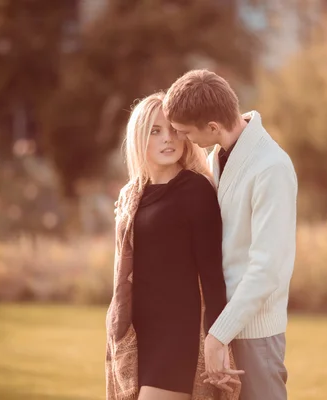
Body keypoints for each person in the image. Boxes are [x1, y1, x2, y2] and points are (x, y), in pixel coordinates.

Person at [163, 70, 298, 400]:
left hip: (254, 331)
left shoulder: (271, 168)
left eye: (185, 132)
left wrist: (218, 335)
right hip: (223, 322)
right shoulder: (217, 158)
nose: (181, 140)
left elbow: (266, 270)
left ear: (212, 127)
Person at [105, 92, 243, 400]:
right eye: (155, 131)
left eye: (172, 130)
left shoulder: (195, 191)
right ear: (140, 136)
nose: (168, 139)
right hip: (138, 333)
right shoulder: (133, 195)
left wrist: (216, 340)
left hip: (177, 334)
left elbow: (212, 275)